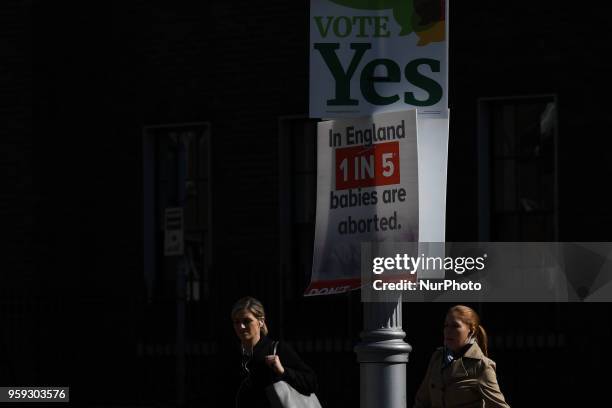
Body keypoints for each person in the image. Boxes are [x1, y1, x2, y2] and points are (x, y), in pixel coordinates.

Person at [413, 305, 510, 408]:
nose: (448, 331)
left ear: (471, 331)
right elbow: (422, 400)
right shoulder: (437, 357)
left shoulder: (482, 366)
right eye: (446, 325)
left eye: (455, 326)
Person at [232, 296, 318, 408]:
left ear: (261, 322)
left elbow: (311, 382)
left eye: (247, 321)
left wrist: (283, 372)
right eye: (236, 322)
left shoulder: (277, 350)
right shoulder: (233, 354)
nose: (241, 327)